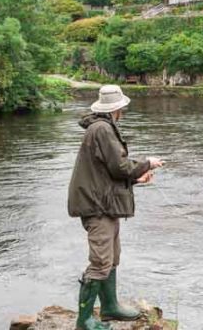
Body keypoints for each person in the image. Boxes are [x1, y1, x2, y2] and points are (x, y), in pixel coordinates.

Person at [67, 84, 164, 330]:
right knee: (100, 262)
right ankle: (84, 321)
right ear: (118, 108)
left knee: (112, 258)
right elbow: (119, 167)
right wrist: (147, 163)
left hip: (104, 206)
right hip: (97, 208)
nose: (124, 110)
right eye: (123, 107)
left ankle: (109, 307)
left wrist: (136, 179)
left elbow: (108, 171)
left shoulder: (101, 127)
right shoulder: (102, 129)